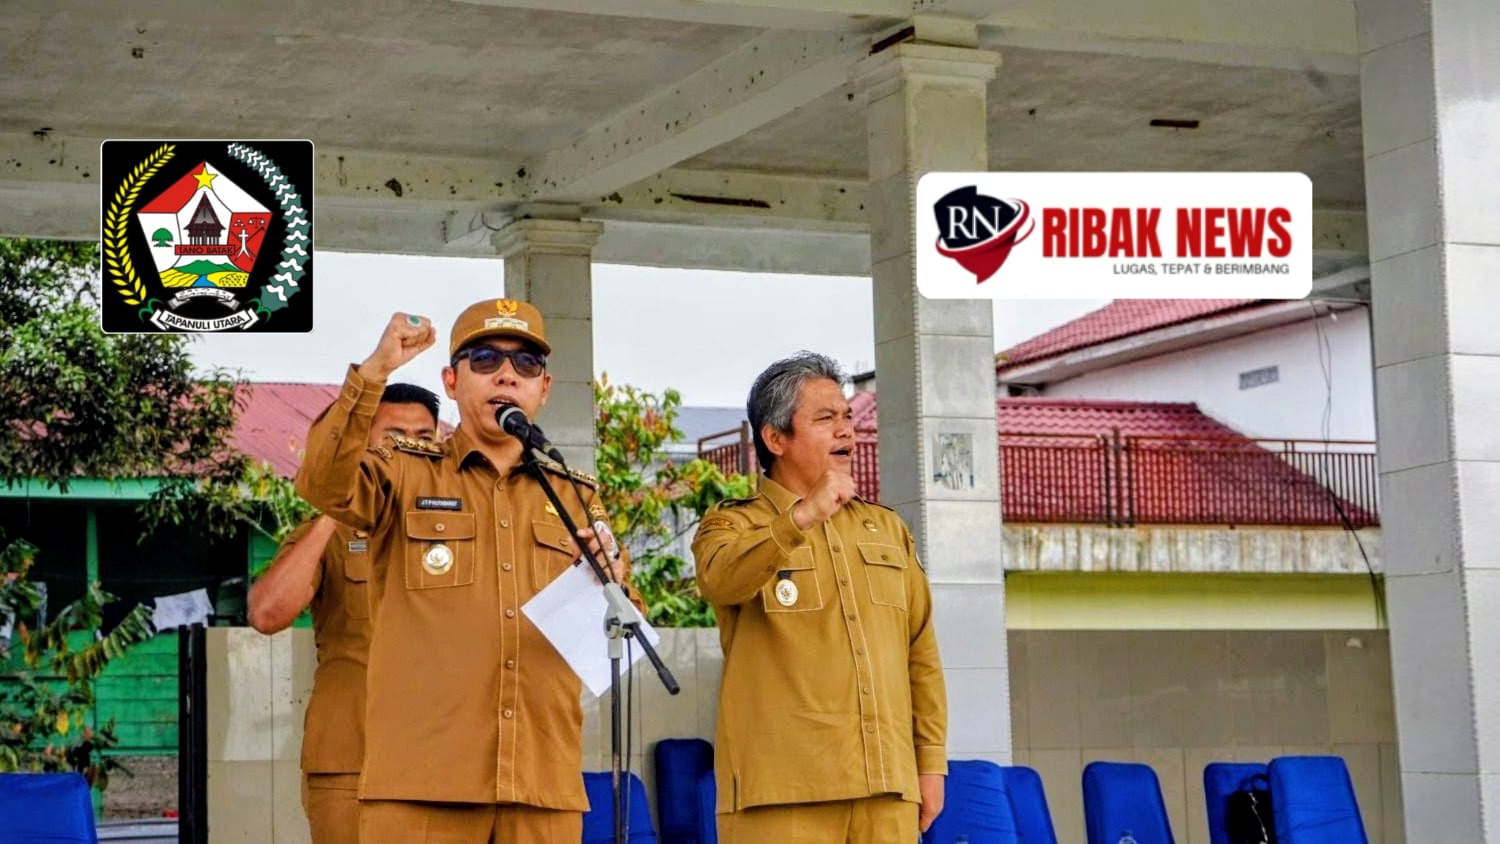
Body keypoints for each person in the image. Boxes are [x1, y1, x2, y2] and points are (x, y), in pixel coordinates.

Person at [294, 298, 634, 843]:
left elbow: (623, 628)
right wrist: (375, 372)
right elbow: (323, 483)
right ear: (451, 381)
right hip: (423, 787)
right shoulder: (404, 473)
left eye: (526, 364)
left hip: (541, 787)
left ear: (544, 389)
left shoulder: (574, 497)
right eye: (485, 359)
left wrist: (609, 581)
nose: (507, 374)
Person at [692, 352, 948, 843]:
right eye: (826, 418)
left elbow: (921, 652)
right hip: (782, 794)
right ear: (775, 439)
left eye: (847, 416)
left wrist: (931, 761)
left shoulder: (886, 528)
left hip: (886, 788)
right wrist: (801, 517)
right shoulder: (733, 524)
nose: (846, 430)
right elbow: (720, 580)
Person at [248, 383, 441, 844]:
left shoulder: (456, 532)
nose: (410, 448)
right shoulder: (329, 533)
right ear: (363, 444)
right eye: (394, 436)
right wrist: (340, 506)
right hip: (351, 758)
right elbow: (268, 613)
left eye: (424, 437)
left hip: (442, 757)